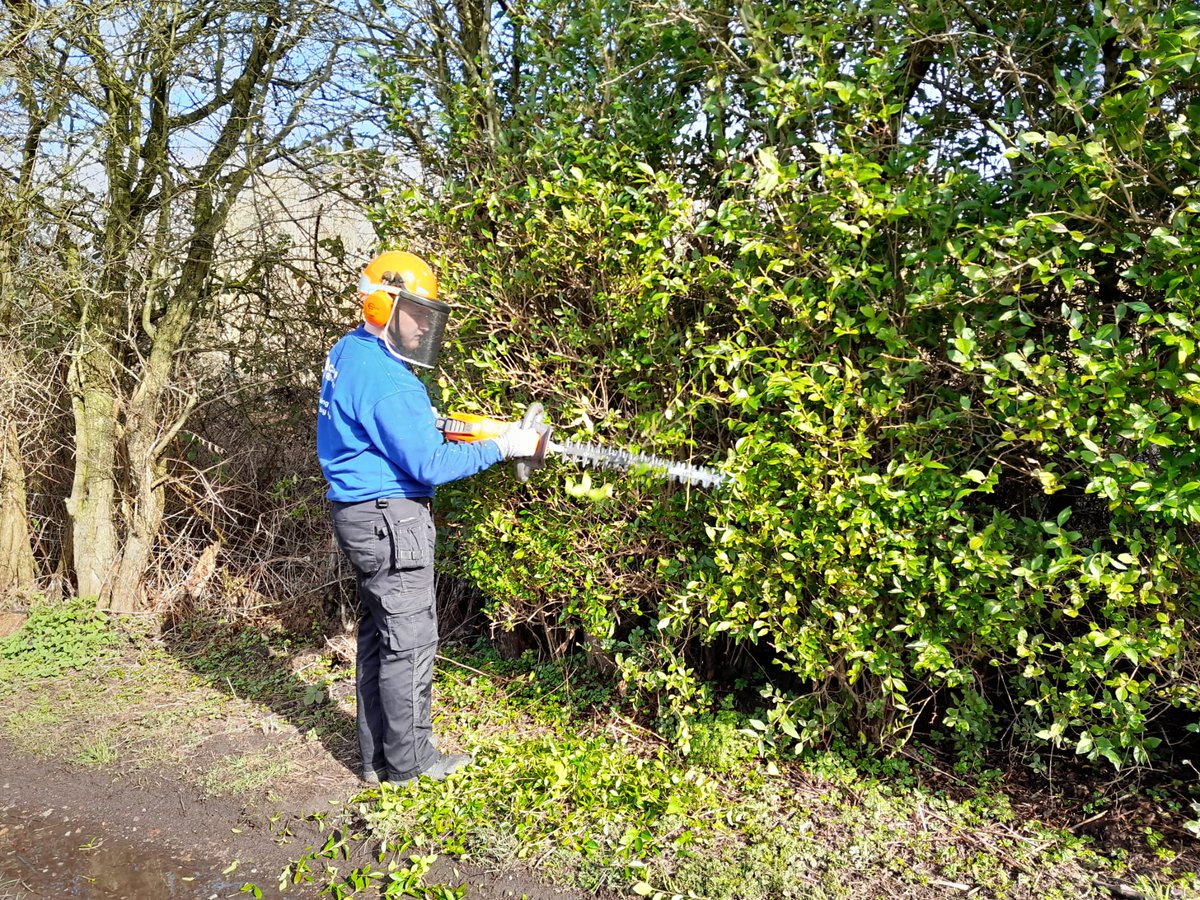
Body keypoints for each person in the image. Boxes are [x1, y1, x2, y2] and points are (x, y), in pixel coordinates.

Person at [316, 250, 540, 785]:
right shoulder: (390, 380)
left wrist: (478, 429)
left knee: (381, 637)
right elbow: (429, 462)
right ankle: (411, 765)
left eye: (427, 314)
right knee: (411, 642)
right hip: (390, 520)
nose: (423, 326)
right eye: (414, 313)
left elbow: (402, 428)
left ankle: (377, 760)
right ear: (378, 305)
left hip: (360, 516)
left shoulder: (350, 353)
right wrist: (505, 446)